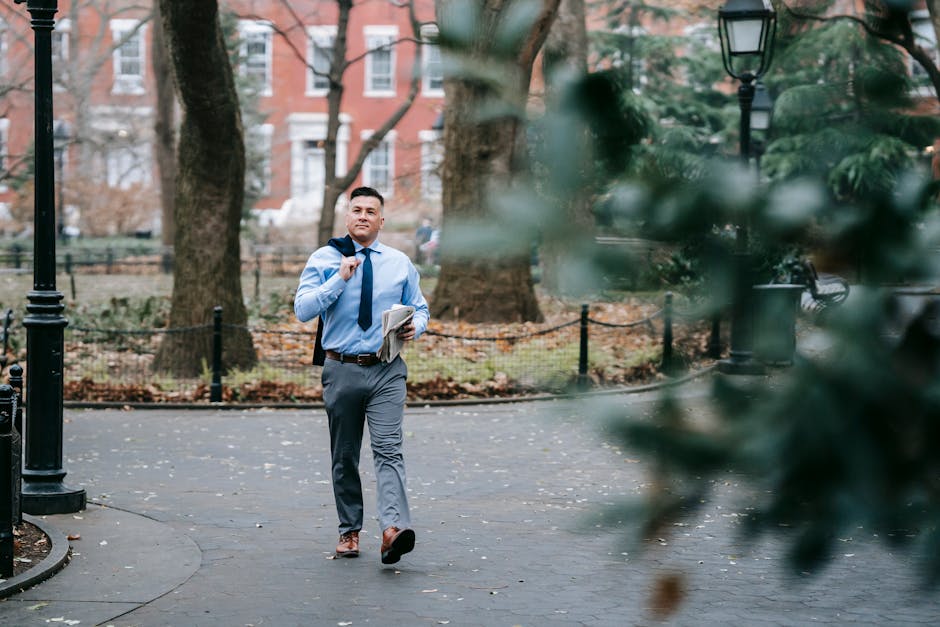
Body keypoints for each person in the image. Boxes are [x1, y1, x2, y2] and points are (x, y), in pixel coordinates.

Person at [294, 186, 429, 565]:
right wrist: (338, 279)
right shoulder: (324, 258)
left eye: (371, 211)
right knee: (345, 455)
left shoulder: (400, 263)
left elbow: (421, 308)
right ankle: (349, 530)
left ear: (381, 220)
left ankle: (392, 530)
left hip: (387, 370)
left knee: (389, 450)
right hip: (342, 370)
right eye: (357, 209)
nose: (363, 216)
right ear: (347, 217)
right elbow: (303, 310)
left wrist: (414, 327)